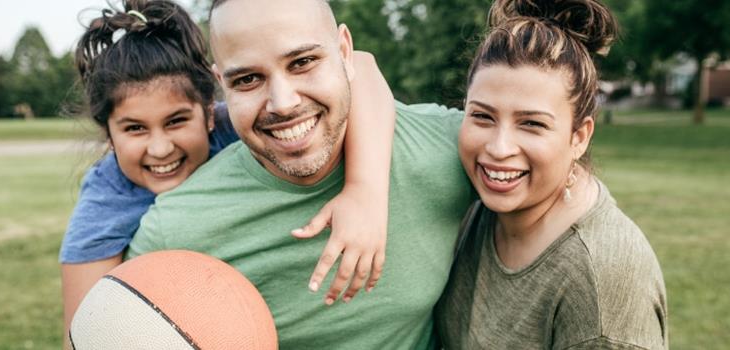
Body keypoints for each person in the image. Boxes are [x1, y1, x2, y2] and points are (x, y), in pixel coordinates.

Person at [126, 0, 474, 348]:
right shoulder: (175, 229)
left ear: (344, 51)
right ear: (222, 84)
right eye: (248, 79)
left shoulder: (448, 148)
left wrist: (367, 191)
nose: (283, 102)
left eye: (303, 62)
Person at [58, 0, 398, 344]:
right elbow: (85, 332)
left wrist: (364, 192)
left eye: (176, 121)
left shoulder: (243, 122)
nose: (160, 148)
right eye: (134, 129)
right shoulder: (103, 203)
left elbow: (361, 66)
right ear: (109, 135)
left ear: (209, 113)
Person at [435, 0, 668, 348]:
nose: (499, 148)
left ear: (579, 136)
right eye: (482, 117)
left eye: (532, 123)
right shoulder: (476, 202)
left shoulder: (601, 280)